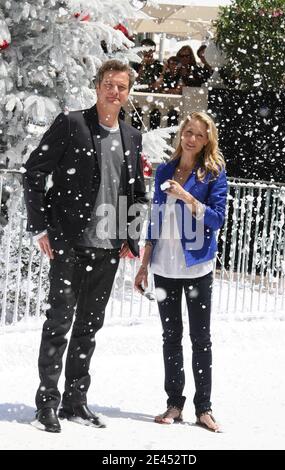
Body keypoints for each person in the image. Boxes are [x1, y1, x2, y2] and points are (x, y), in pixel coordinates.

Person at [23, 59, 147, 433]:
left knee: (89, 327)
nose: (115, 92)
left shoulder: (131, 135)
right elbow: (34, 171)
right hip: (69, 243)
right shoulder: (73, 123)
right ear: (97, 87)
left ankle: (76, 401)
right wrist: (40, 226)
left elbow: (136, 193)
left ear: (127, 94)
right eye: (109, 84)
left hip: (108, 246)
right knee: (59, 321)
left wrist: (131, 236)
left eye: (122, 87)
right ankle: (47, 402)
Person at [134, 111, 227, 432]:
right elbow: (155, 219)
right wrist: (144, 265)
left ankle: (204, 408)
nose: (190, 138)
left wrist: (187, 197)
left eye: (198, 135)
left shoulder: (213, 174)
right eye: (187, 132)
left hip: (197, 266)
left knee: (201, 339)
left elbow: (217, 219)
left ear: (206, 141)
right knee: (170, 338)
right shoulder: (166, 170)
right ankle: (174, 403)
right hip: (164, 267)